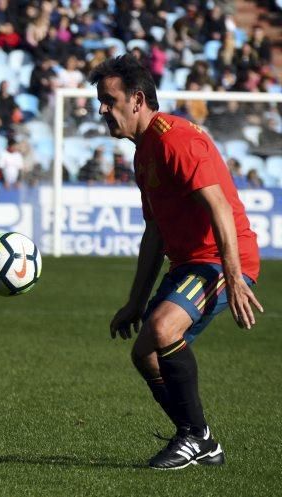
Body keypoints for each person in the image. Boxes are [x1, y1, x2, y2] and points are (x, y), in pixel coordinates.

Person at [91, 55, 263, 470]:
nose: (101, 110)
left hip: (220, 260)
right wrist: (135, 300)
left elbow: (219, 207)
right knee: (145, 352)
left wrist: (235, 277)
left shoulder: (176, 140)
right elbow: (155, 234)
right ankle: (201, 439)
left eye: (108, 100)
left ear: (136, 100)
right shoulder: (142, 152)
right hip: (187, 263)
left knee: (162, 328)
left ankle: (192, 437)